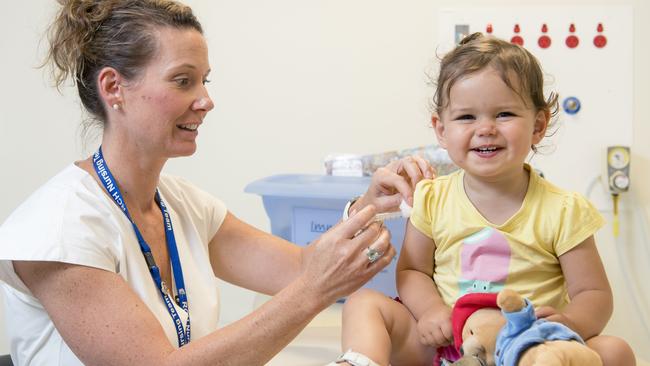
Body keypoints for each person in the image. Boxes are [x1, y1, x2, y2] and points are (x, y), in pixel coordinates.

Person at [0, 1, 435, 365]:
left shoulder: (183, 205)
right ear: (115, 88)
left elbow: (299, 268)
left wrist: (370, 207)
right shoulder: (57, 229)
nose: (206, 100)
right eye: (183, 80)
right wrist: (315, 291)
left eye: (204, 81)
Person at [331, 32, 636, 366]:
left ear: (537, 126)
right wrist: (431, 311)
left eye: (504, 114)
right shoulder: (431, 198)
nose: (486, 128)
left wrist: (571, 323)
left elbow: (593, 294)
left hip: (530, 349)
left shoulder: (564, 209)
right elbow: (413, 272)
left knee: (614, 351)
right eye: (466, 117)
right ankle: (361, 361)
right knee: (364, 303)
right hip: (449, 343)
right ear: (441, 130)